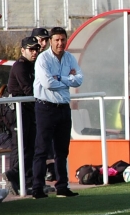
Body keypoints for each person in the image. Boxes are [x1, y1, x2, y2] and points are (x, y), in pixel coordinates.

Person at [32, 27, 83, 199]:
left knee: (62, 150)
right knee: (42, 149)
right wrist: (68, 79)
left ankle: (62, 186)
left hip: (63, 107)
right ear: (50, 41)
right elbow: (47, 83)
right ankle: (37, 188)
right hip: (45, 108)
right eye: (57, 40)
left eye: (63, 39)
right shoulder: (43, 58)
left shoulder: (69, 57)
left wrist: (60, 78)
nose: (60, 43)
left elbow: (80, 79)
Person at [2, 37, 41, 195]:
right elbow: (28, 90)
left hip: (27, 109)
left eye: (36, 49)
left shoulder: (31, 65)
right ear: (22, 50)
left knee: (30, 146)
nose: (34, 52)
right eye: (31, 49)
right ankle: (14, 177)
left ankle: (27, 180)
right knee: (20, 146)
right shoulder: (20, 66)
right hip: (18, 110)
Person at [32, 27, 56, 181]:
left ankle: (52, 172)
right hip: (36, 105)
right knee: (38, 144)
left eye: (46, 39)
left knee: (51, 142)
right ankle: (32, 178)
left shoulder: (50, 57)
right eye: (41, 39)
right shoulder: (31, 57)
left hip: (51, 104)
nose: (43, 43)